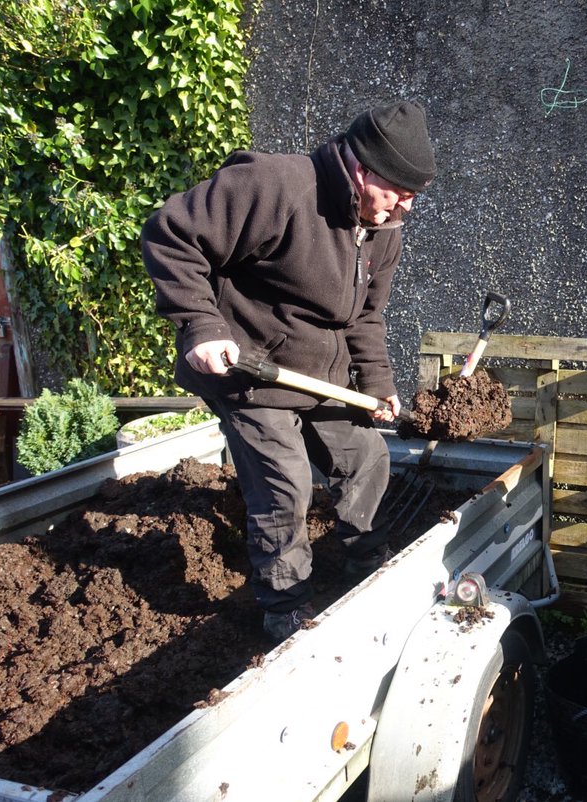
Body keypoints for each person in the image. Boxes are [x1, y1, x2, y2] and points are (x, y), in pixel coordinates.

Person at [142, 100, 437, 642]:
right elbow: (171, 234)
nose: (405, 208)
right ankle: (286, 606)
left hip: (319, 376)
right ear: (361, 168)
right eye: (398, 191)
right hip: (251, 373)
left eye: (413, 196)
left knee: (366, 456)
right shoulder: (278, 186)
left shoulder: (383, 226)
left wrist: (374, 384)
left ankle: (365, 559)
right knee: (286, 486)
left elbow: (366, 315)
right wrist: (202, 328)